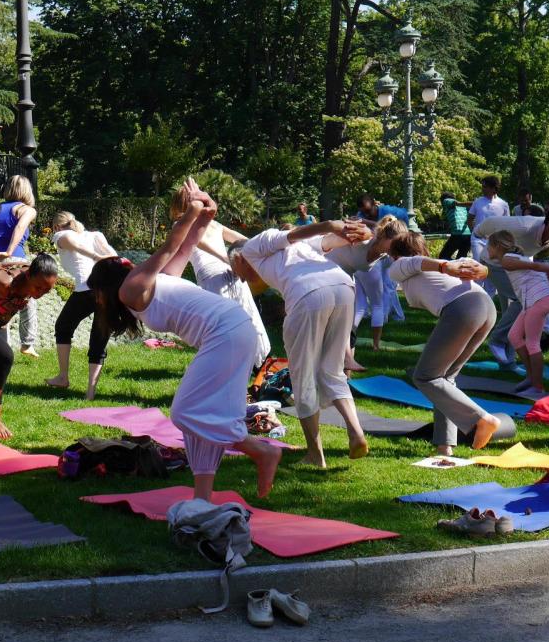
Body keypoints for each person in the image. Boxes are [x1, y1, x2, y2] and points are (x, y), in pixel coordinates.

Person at [87, 188, 281, 500]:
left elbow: (171, 244)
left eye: (96, 292)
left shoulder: (130, 289)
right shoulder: (160, 279)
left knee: (185, 413)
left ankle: (258, 450)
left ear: (105, 287)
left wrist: (192, 211)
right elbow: (187, 244)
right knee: (209, 415)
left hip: (227, 332)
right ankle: (202, 496)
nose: (97, 299)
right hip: (234, 329)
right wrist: (206, 215)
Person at [229, 215, 372, 467]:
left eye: (234, 270)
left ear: (237, 257)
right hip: (343, 288)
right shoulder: (299, 250)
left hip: (310, 294)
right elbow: (331, 241)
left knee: (302, 375)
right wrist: (359, 232)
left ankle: (315, 456)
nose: (239, 278)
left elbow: (297, 234)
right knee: (332, 370)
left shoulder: (253, 246)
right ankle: (356, 433)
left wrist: (330, 224)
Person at [388, 233, 511, 454]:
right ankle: (445, 446)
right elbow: (472, 267)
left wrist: (447, 266)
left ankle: (482, 418)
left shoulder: (400, 265)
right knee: (444, 379)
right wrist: (474, 269)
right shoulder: (430, 269)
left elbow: (413, 261)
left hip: (464, 309)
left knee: (425, 376)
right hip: (484, 307)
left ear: (394, 254)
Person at [169, 189, 271, 369]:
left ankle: (244, 364)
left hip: (217, 274)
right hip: (227, 270)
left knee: (225, 324)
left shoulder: (187, 224)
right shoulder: (207, 223)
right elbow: (201, 241)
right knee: (243, 316)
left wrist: (264, 247)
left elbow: (239, 240)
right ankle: (251, 363)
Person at [0, 254, 61, 440]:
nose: (40, 293)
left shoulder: (33, 273)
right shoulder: (5, 281)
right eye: (38, 288)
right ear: (28, 276)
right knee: (4, 357)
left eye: (47, 290)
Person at [474, 204, 549, 364]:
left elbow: (544, 259)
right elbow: (491, 222)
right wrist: (478, 231)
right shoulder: (524, 226)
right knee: (525, 301)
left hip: (513, 268)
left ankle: (508, 364)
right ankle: (497, 340)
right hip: (493, 264)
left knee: (516, 314)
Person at [485, 230, 549, 398]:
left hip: (538, 300)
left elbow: (536, 266)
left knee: (532, 344)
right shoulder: (511, 258)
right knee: (514, 336)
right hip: (533, 301)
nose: (487, 251)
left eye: (488, 246)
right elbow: (537, 270)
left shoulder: (508, 259)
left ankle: (537, 386)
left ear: (497, 246)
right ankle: (531, 378)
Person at [46, 212, 117, 399]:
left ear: (56, 227)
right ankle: (90, 392)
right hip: (109, 291)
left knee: (63, 327)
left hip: (88, 289)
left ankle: (63, 377)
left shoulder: (61, 235)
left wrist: (95, 256)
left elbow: (70, 241)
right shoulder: (95, 235)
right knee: (99, 338)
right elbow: (113, 255)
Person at [327, 215, 407, 360]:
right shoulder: (365, 237)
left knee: (347, 328)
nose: (396, 250)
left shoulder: (385, 253)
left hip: (343, 278)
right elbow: (337, 226)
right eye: (395, 244)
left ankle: (347, 375)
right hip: (326, 273)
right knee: (334, 327)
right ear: (383, 236)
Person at [0, 175, 40, 357]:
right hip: (15, 261)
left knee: (0, 304)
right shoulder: (27, 210)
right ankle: (27, 343)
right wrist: (9, 251)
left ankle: (2, 348)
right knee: (28, 301)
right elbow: (20, 228)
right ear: (27, 190)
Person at [467, 175, 509, 277]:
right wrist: (475, 232)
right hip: (478, 239)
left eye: (485, 187)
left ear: (494, 188)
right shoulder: (478, 201)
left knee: (492, 268)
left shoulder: (503, 204)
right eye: (482, 186)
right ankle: (477, 289)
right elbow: (470, 219)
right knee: (478, 265)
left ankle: (489, 293)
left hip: (494, 242)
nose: (483, 189)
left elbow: (507, 224)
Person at [438, 193, 472, 261]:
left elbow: (456, 203)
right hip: (468, 235)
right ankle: (457, 268)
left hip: (457, 234)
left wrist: (460, 203)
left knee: (443, 256)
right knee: (461, 259)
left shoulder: (446, 201)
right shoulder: (463, 208)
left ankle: (452, 267)